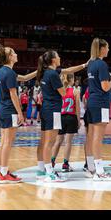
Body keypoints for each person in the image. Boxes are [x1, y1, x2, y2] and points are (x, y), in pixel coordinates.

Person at [36, 50, 88, 182]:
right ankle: (50, 172)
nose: (60, 58)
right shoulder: (53, 74)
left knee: (44, 142)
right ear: (53, 60)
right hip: (53, 110)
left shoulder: (46, 72)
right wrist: (67, 88)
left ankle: (42, 170)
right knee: (49, 142)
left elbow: (68, 70)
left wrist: (84, 65)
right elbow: (64, 93)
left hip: (46, 109)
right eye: (58, 56)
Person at [85, 38, 111, 181]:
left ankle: (90, 168)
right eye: (108, 47)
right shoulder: (102, 64)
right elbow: (106, 87)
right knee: (98, 137)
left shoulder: (91, 64)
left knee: (91, 136)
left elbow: (104, 84)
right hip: (101, 103)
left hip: (91, 102)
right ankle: (99, 171)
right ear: (102, 49)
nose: (109, 50)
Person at [0, 45, 37, 183]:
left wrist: (38, 71)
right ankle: (4, 173)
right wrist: (20, 113)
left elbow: (24, 78)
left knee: (3, 142)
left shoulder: (1, 71)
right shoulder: (10, 73)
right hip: (9, 110)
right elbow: (13, 95)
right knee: (8, 142)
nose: (15, 53)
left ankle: (1, 171)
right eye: (13, 52)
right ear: (9, 57)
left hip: (2, 109)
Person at [50, 73, 81, 172]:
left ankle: (52, 162)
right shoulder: (76, 91)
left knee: (58, 141)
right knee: (68, 142)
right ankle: (65, 164)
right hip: (71, 117)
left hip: (60, 117)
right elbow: (77, 108)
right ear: (71, 79)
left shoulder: (59, 91)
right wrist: (79, 120)